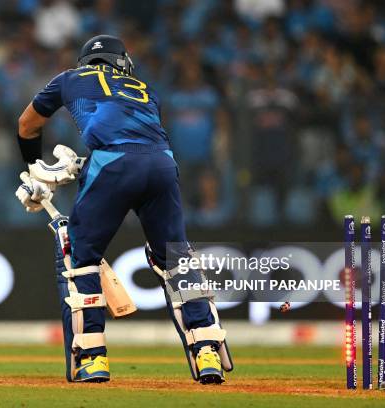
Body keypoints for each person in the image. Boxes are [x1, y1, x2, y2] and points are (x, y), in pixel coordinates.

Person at [15, 35, 232, 384]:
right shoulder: (144, 88)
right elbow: (135, 142)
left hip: (112, 164)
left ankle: (92, 357)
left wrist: (32, 169)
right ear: (122, 62)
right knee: (176, 259)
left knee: (79, 257)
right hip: (162, 164)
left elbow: (28, 125)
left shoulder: (69, 78)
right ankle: (206, 349)